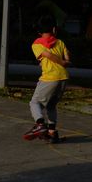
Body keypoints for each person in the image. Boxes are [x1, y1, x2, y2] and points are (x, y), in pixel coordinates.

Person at [23, 14, 70, 143]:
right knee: (51, 105)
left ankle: (40, 125)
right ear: (54, 29)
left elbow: (47, 55)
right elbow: (67, 59)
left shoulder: (37, 44)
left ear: (39, 31)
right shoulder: (60, 42)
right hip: (63, 78)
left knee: (34, 102)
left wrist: (57, 61)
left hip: (50, 78)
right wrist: (63, 62)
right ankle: (52, 132)